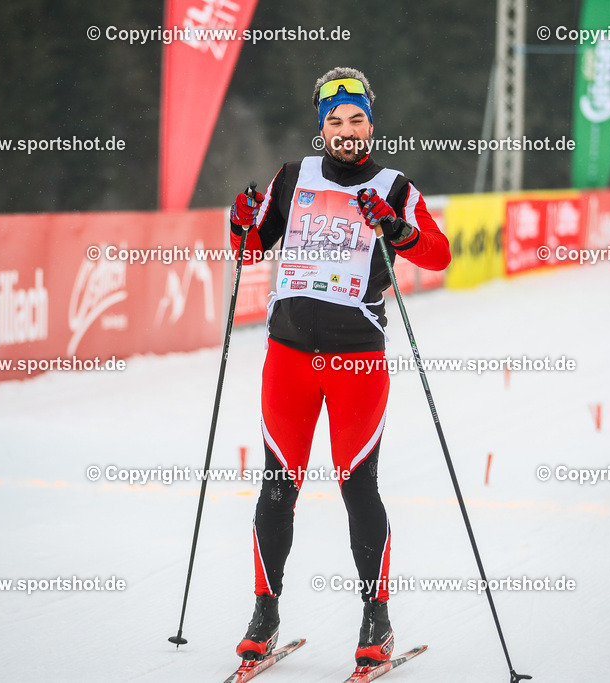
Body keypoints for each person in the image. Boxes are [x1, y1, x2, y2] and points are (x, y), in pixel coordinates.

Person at [229, 66, 450, 667]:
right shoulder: (292, 177)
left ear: (371, 123)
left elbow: (438, 254)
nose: (346, 130)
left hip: (357, 363)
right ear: (320, 126)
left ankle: (375, 621)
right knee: (279, 485)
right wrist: (240, 219)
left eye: (357, 119)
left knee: (358, 486)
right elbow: (250, 249)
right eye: (335, 120)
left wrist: (397, 228)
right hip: (289, 360)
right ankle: (265, 613)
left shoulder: (395, 186)